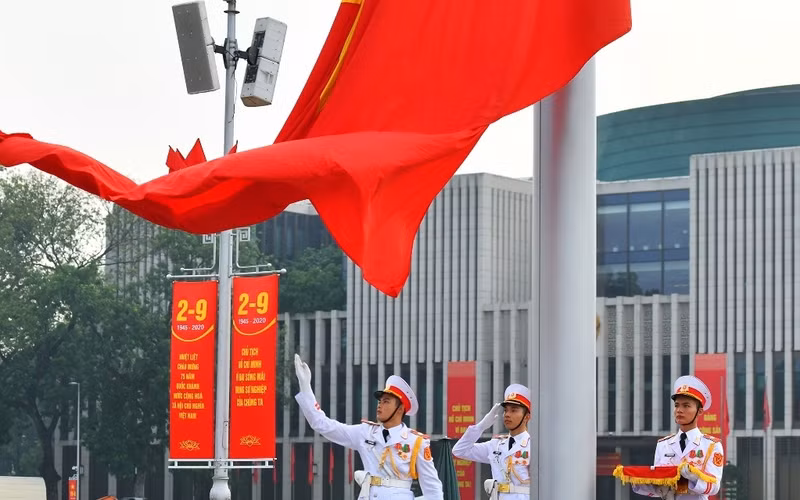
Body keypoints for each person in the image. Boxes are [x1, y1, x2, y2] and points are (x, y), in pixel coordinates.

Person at [293, 354, 443, 500]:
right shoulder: (366, 433)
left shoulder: (416, 442)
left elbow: (434, 491)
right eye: (380, 401)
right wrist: (306, 388)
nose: (379, 405)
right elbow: (322, 424)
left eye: (386, 401)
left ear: (400, 408)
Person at [632, 375, 725, 499]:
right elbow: (660, 487)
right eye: (677, 405)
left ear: (700, 411)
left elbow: (714, 486)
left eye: (686, 406)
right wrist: (641, 484)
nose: (679, 410)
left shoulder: (711, 445)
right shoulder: (663, 444)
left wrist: (693, 479)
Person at [452, 384, 531, 499]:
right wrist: (481, 426)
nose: (507, 414)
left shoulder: (533, 446)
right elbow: (459, 450)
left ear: (526, 417)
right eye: (506, 411)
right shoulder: (496, 445)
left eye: (514, 410)